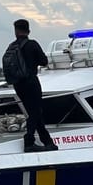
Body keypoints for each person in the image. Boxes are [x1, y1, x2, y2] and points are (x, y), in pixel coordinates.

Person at [8, 19, 57, 153]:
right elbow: (44, 61)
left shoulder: (11, 47)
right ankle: (29, 141)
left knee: (34, 111)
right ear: (28, 30)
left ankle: (47, 141)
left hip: (17, 84)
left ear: (16, 31)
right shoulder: (32, 44)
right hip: (31, 82)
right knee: (36, 111)